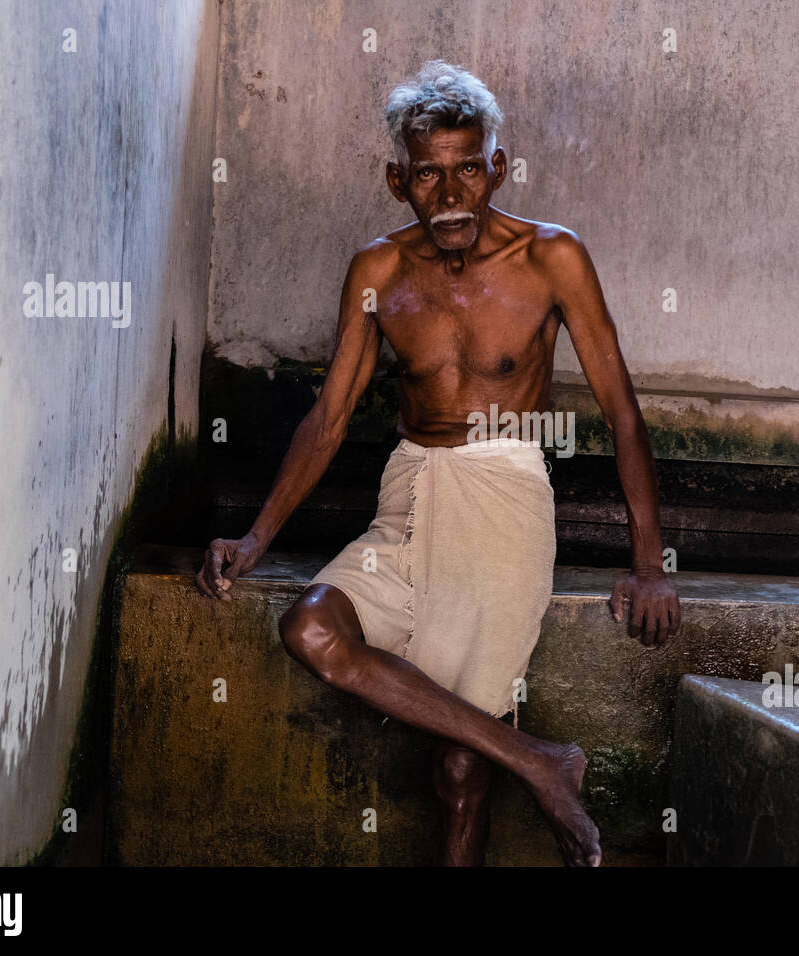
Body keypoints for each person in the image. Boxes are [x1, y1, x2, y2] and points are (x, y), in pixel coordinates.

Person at [195, 59, 680, 866]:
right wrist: (254, 541)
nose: (449, 195)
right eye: (428, 175)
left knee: (460, 769)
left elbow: (622, 413)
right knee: (312, 626)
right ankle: (539, 762)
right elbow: (330, 418)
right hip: (409, 487)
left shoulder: (552, 259)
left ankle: (514, 762)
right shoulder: (378, 271)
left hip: (504, 494)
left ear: (496, 167)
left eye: (466, 170)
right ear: (397, 180)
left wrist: (648, 564)